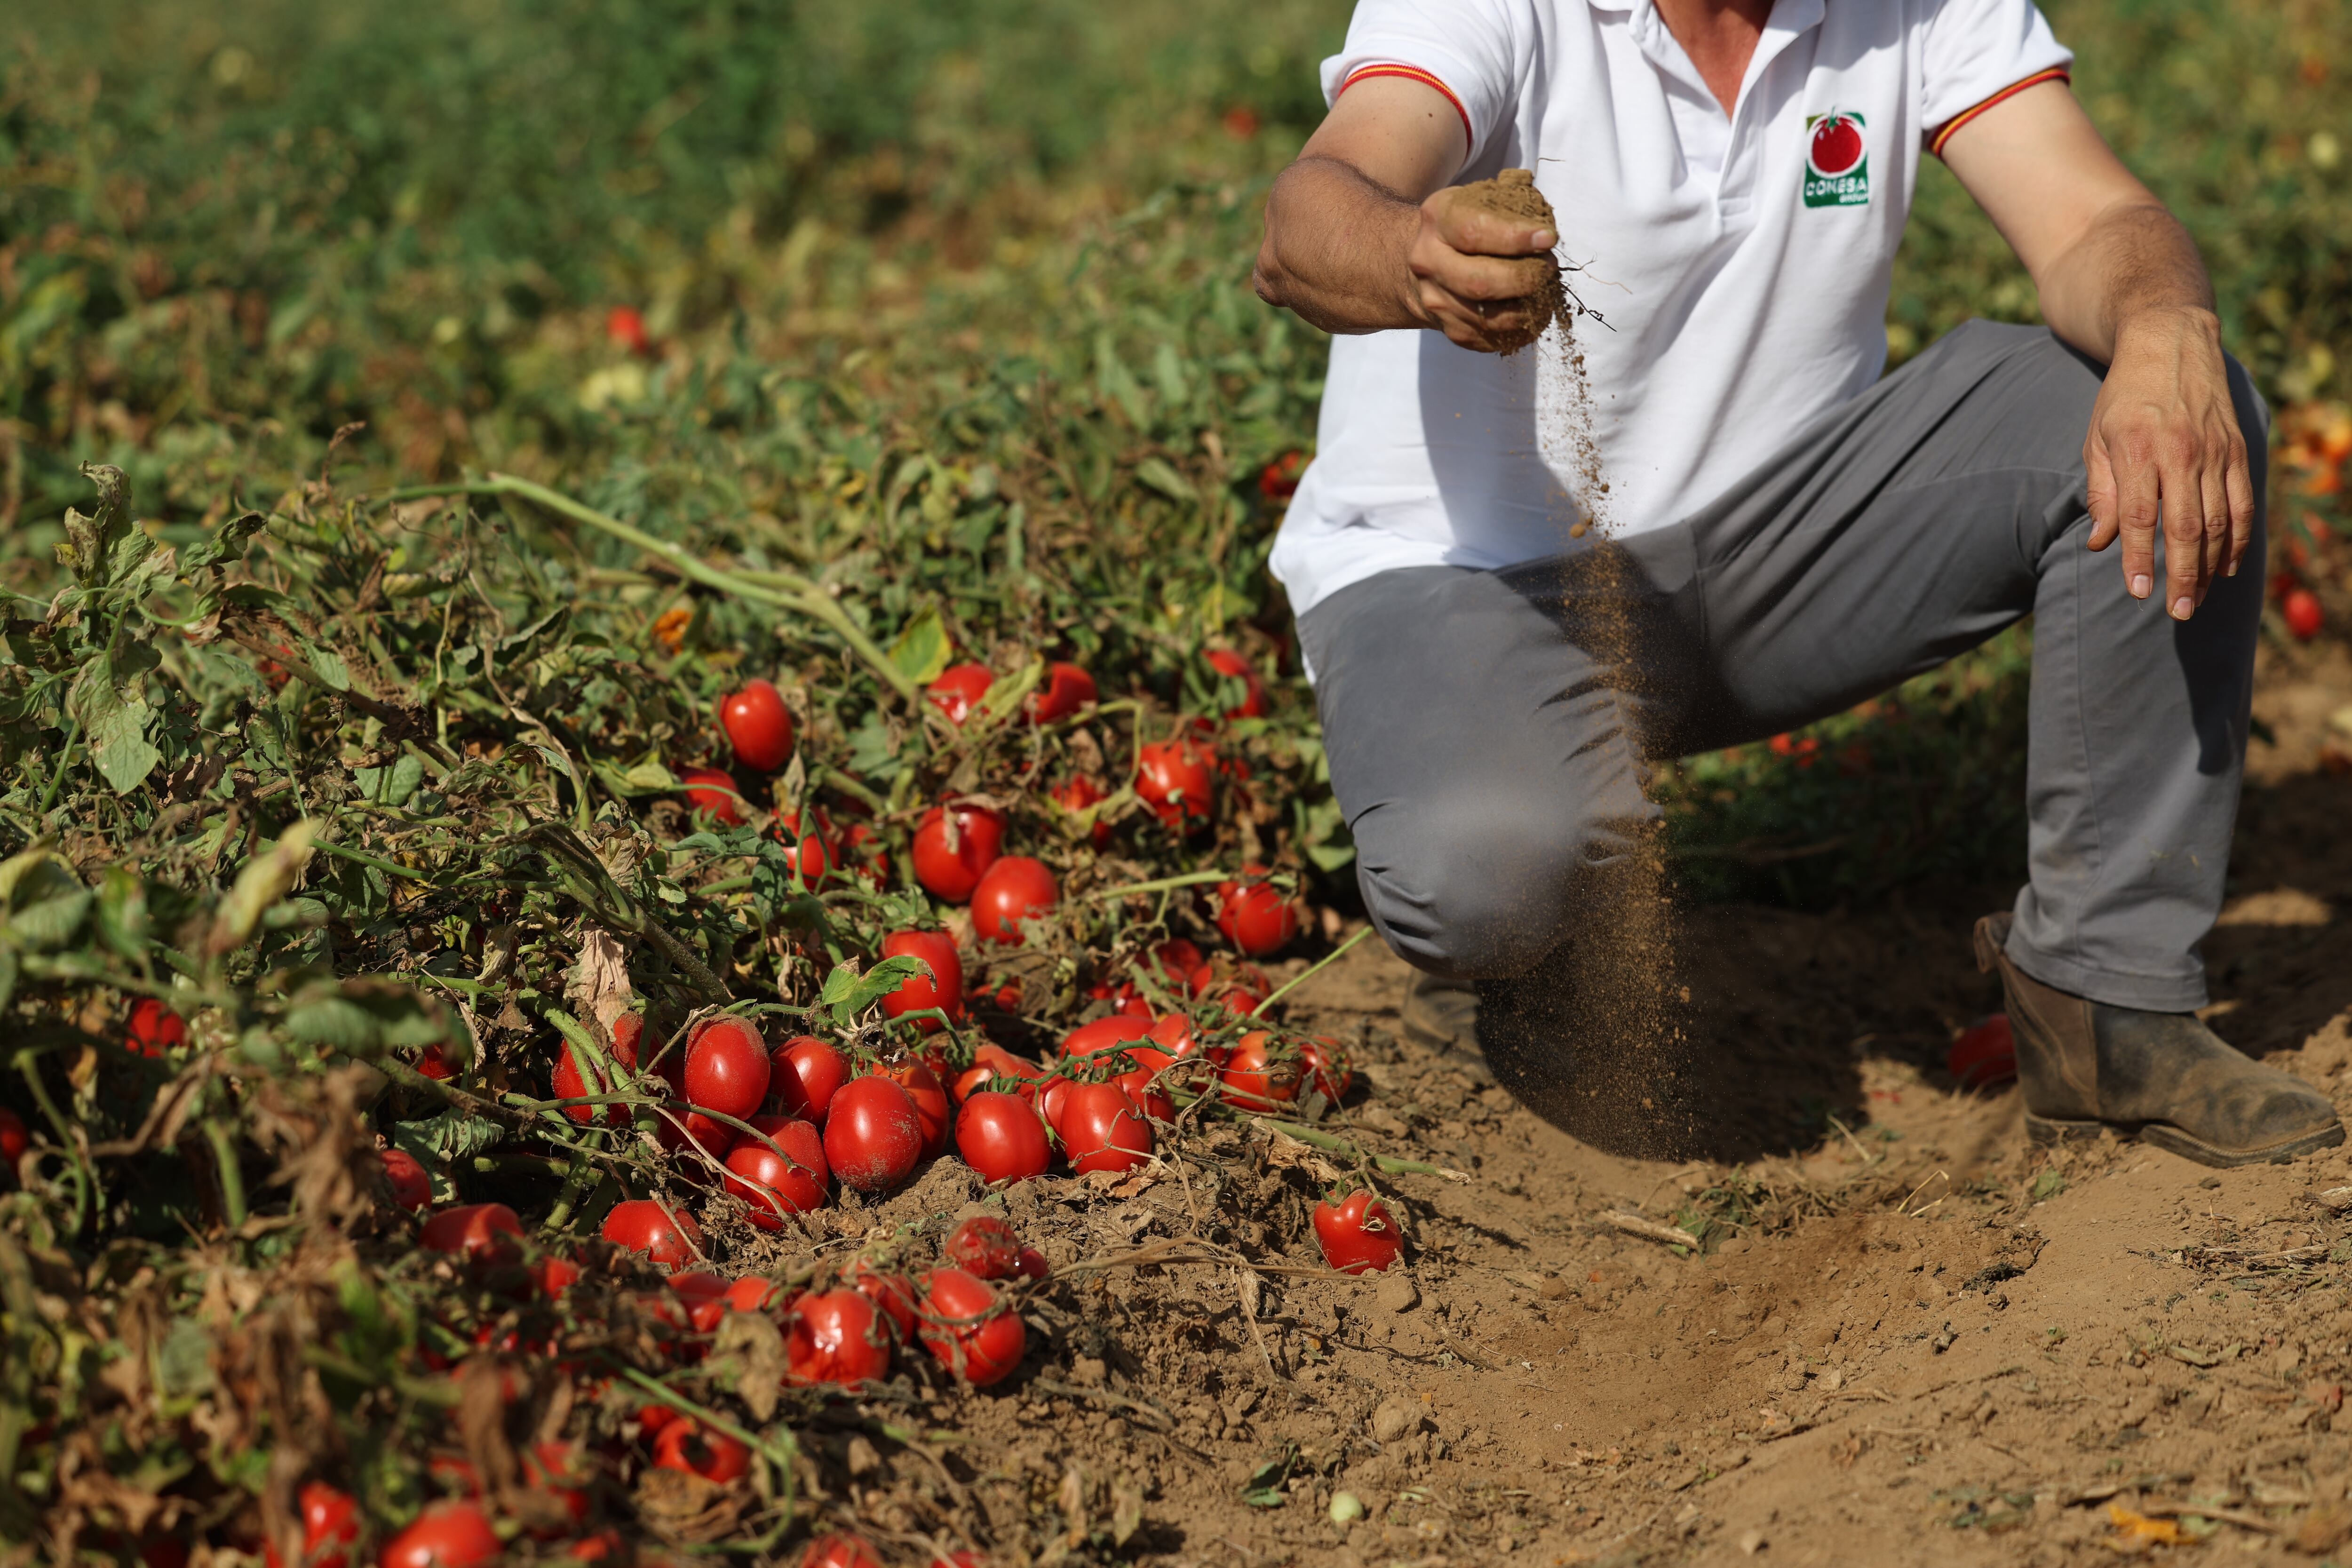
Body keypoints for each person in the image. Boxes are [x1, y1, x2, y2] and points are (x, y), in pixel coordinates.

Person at [1251, 0, 2341, 1167]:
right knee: (1489, 869)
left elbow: (2093, 221)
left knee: (2163, 397)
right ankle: (1529, 954)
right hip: (1469, 581)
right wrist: (1414, 257)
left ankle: (2107, 1002)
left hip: (1774, 554)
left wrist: (2166, 319)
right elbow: (1307, 221)